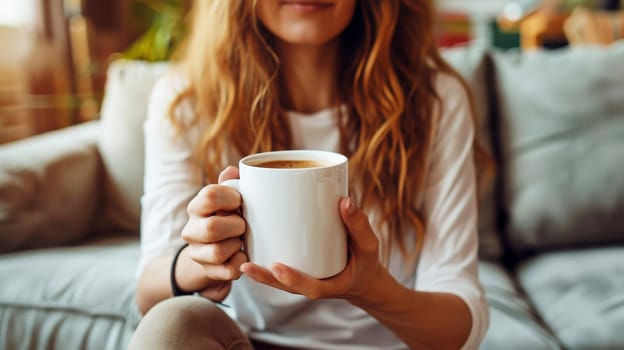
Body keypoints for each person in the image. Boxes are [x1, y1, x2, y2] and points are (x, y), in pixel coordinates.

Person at [129, 0, 491, 349]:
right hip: (245, 342)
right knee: (170, 327)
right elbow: (148, 293)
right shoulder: (188, 100)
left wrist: (370, 288)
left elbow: (457, 332)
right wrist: (202, 258)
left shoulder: (434, 102)